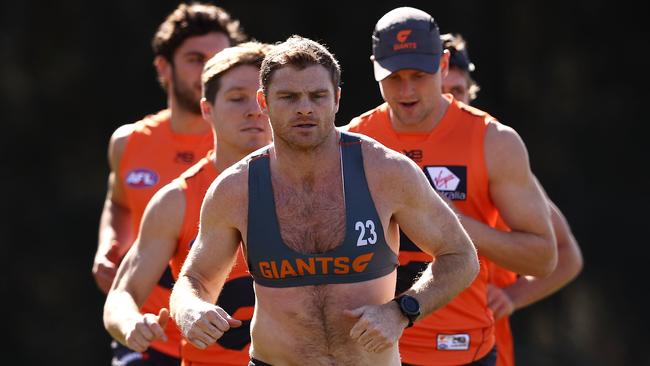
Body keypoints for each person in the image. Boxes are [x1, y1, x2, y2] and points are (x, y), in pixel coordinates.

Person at [169, 35, 479, 366]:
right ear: (263, 102)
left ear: (337, 99)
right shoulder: (236, 188)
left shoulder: (385, 172)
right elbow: (194, 280)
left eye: (317, 96)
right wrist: (192, 309)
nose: (305, 107)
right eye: (288, 97)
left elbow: (460, 257)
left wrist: (401, 311)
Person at [345, 7, 558, 365]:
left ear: (443, 65)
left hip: (462, 349)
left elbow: (543, 256)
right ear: (374, 68)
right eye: (394, 77)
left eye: (419, 74)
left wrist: (448, 224)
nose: (407, 90)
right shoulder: (354, 140)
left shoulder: (493, 141)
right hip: (372, 348)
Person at [92, 3, 248, 364]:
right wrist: (109, 243)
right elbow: (118, 202)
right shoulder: (129, 142)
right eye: (196, 58)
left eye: (220, 57)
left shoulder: (241, 146)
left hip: (229, 343)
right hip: (153, 334)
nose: (209, 68)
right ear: (164, 67)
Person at [441, 32, 584, 366]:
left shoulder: (495, 160)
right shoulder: (397, 159)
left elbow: (566, 255)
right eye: (441, 93)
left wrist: (511, 296)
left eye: (458, 92)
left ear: (471, 94)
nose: (450, 104)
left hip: (486, 350)